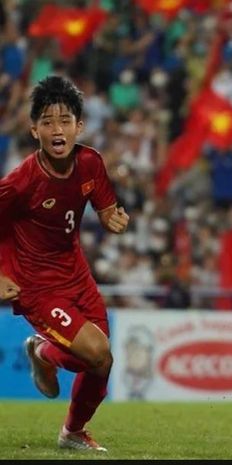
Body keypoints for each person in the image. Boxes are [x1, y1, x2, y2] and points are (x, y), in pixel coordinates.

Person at [0, 76, 129, 451]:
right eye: (47, 121)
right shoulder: (23, 180)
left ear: (79, 126)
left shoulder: (91, 163)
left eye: (65, 120)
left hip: (76, 272)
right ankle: (42, 350)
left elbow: (106, 209)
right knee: (96, 352)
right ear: (33, 129)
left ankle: (72, 432)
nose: (57, 129)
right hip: (37, 284)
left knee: (102, 362)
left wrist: (113, 220)